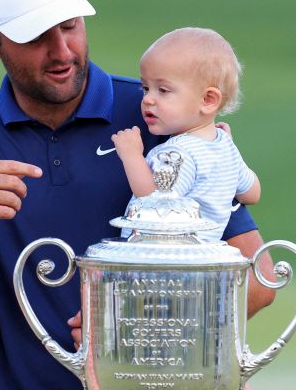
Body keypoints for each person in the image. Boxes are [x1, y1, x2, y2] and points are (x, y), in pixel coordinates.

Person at [0, 0, 275, 390]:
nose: (62, 50)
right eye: (36, 37)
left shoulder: (161, 116)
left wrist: (135, 327)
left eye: (70, 26)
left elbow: (258, 279)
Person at [112, 27, 261, 241]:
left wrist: (131, 156)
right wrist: (230, 152)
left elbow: (155, 203)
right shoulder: (225, 147)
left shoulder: (177, 153)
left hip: (162, 257)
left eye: (163, 90)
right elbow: (252, 193)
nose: (147, 99)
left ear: (208, 100)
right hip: (200, 259)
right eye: (145, 88)